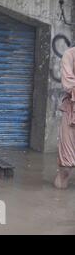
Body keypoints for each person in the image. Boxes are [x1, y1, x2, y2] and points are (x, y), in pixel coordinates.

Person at [54, 47, 75, 189]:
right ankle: (57, 202)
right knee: (66, 169)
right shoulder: (70, 54)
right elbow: (68, 84)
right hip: (71, 113)